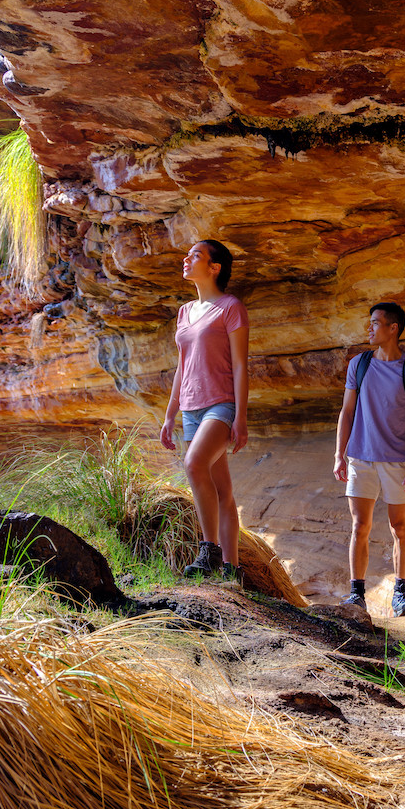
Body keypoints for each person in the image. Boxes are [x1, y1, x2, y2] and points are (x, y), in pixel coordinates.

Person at [160, 239, 249, 583]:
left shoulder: (230, 307)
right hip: (190, 408)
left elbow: (240, 365)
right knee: (222, 490)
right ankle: (233, 569)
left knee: (194, 464)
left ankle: (208, 549)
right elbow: (183, 367)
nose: (186, 259)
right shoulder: (185, 312)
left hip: (221, 404)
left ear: (215, 268)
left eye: (195, 255)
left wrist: (240, 416)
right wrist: (170, 414)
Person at [334, 302, 405, 616]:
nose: (369, 328)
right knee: (359, 526)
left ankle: (400, 595)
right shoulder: (358, 364)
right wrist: (339, 454)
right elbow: (346, 412)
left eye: (375, 323)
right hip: (360, 458)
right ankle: (356, 594)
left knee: (398, 527)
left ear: (393, 328)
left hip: (398, 461)